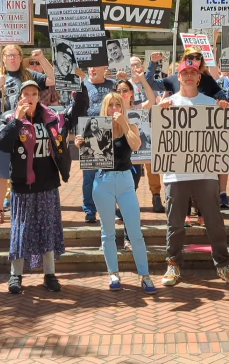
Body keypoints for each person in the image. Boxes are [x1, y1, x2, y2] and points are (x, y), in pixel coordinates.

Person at [0, 73, 89, 294]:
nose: (30, 97)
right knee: (21, 231)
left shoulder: (52, 117)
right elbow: (3, 144)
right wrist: (17, 121)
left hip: (47, 184)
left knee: (48, 230)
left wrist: (79, 84)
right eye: (26, 94)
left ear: (39, 96)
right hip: (22, 186)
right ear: (19, 97)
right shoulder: (8, 118)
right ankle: (15, 276)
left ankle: (50, 274)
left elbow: (78, 108)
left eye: (34, 94)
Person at [160, 57, 229, 286]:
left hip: (206, 173)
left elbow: (226, 133)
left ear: (199, 77)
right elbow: (157, 134)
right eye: (184, 73)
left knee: (214, 221)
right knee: (175, 223)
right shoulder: (168, 103)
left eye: (192, 73)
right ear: (179, 77)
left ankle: (223, 265)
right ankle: (173, 265)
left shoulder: (210, 103)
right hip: (176, 175)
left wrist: (224, 111)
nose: (188, 76)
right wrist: (159, 111)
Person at [75, 93, 157, 293]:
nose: (114, 108)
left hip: (125, 180)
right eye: (110, 105)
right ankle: (113, 273)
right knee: (108, 232)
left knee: (135, 231)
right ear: (105, 108)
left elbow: (136, 145)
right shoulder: (95, 128)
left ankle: (144, 275)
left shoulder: (130, 126)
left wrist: (125, 124)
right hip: (103, 181)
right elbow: (89, 158)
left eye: (117, 104)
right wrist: (81, 144)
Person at [0, 45, 55, 225]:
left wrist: (43, 60)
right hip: (4, 130)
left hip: (26, 132)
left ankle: (25, 210)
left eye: (16, 55)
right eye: (9, 55)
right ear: (3, 58)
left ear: (21, 58)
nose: (12, 58)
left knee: (27, 170)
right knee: (1, 173)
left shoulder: (29, 75)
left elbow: (52, 80)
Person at [80, 65, 117, 223]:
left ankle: (109, 208)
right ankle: (90, 209)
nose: (92, 68)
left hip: (111, 130)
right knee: (89, 176)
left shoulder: (113, 84)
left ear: (105, 68)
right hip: (89, 129)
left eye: (97, 65)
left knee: (110, 176)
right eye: (91, 66)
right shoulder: (82, 85)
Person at [130, 56, 164, 212]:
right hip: (131, 127)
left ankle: (156, 196)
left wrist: (143, 79)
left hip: (149, 125)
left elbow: (154, 101)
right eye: (132, 65)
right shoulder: (125, 84)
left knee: (152, 165)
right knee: (130, 165)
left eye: (137, 64)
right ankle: (128, 198)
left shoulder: (149, 83)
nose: (135, 67)